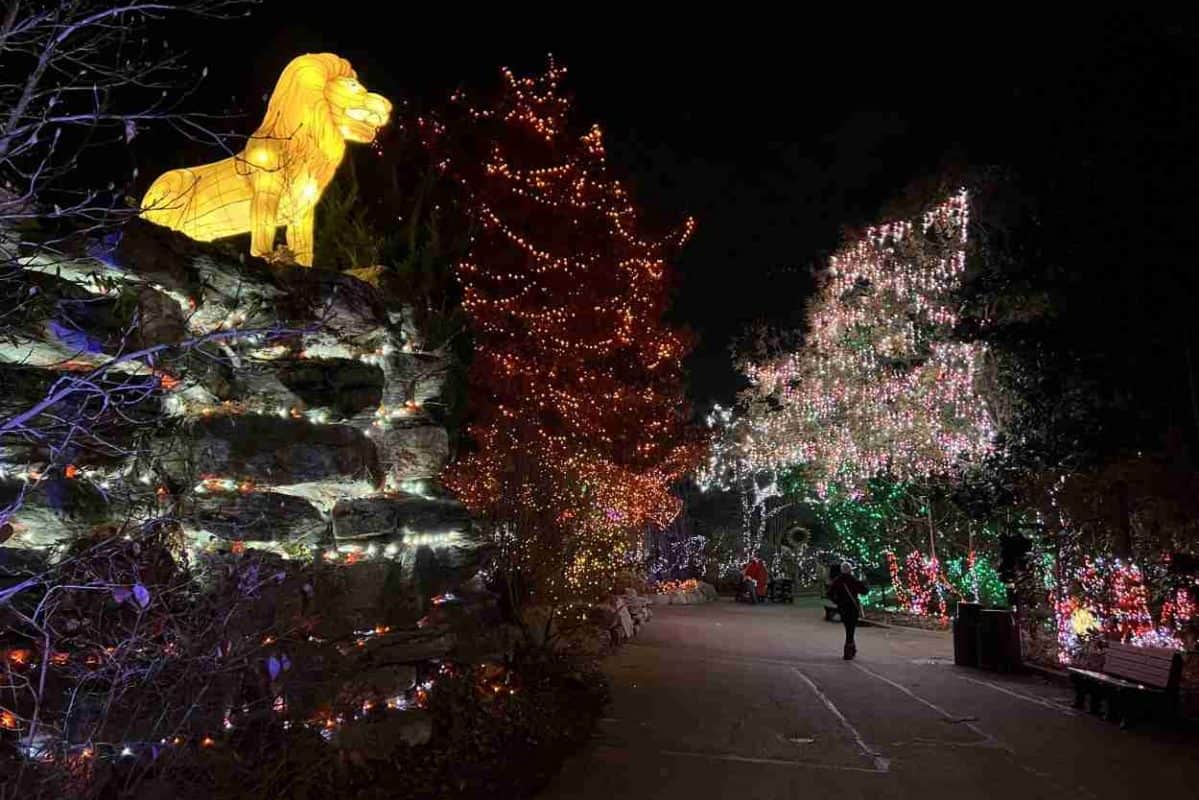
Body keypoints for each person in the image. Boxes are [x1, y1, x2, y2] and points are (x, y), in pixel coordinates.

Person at [827, 561, 867, 659]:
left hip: (843, 608)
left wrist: (837, 601)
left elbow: (829, 593)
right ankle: (848, 651)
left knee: (848, 628)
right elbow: (864, 590)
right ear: (850, 570)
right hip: (853, 608)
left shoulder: (837, 580)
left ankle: (851, 649)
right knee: (851, 629)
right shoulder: (853, 580)